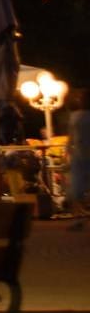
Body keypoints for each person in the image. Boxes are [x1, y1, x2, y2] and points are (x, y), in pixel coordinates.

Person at [68, 91, 90, 229]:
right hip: (79, 155)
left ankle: (79, 219)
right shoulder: (75, 116)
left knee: (77, 189)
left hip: (81, 154)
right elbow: (71, 136)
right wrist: (68, 150)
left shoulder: (76, 116)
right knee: (76, 189)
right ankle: (78, 219)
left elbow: (71, 136)